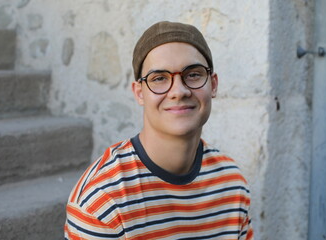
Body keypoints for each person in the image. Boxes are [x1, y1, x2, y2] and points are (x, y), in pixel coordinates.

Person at [64, 21, 254, 240]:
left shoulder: (231, 182)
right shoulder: (102, 201)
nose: (179, 91)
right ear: (139, 93)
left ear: (213, 84)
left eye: (193, 74)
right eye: (159, 78)